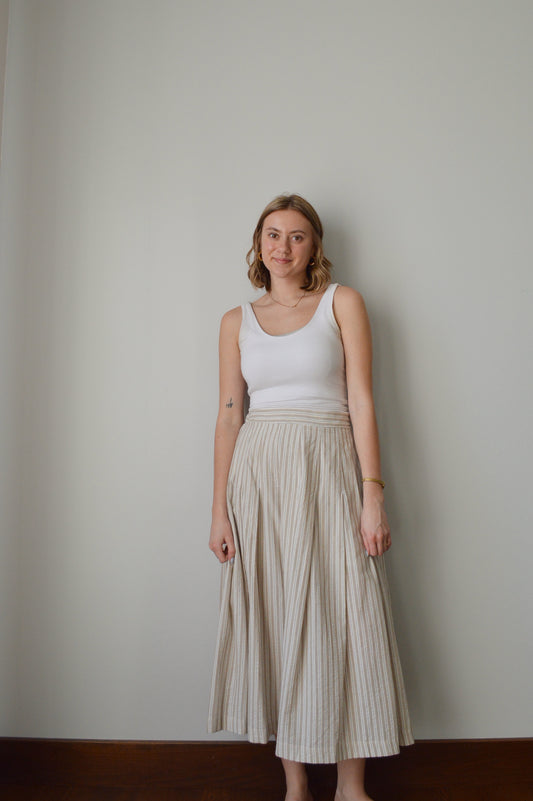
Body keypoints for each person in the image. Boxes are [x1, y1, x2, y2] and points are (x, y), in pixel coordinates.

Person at [207, 194, 414, 801]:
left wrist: (372, 494)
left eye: (297, 236)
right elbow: (228, 416)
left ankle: (351, 787)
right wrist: (219, 509)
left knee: (346, 613)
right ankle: (295, 784)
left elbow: (362, 401)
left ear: (314, 246)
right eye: (273, 234)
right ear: (258, 243)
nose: (283, 246)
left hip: (329, 468)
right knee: (277, 617)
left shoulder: (342, 303)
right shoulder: (236, 321)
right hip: (259, 479)